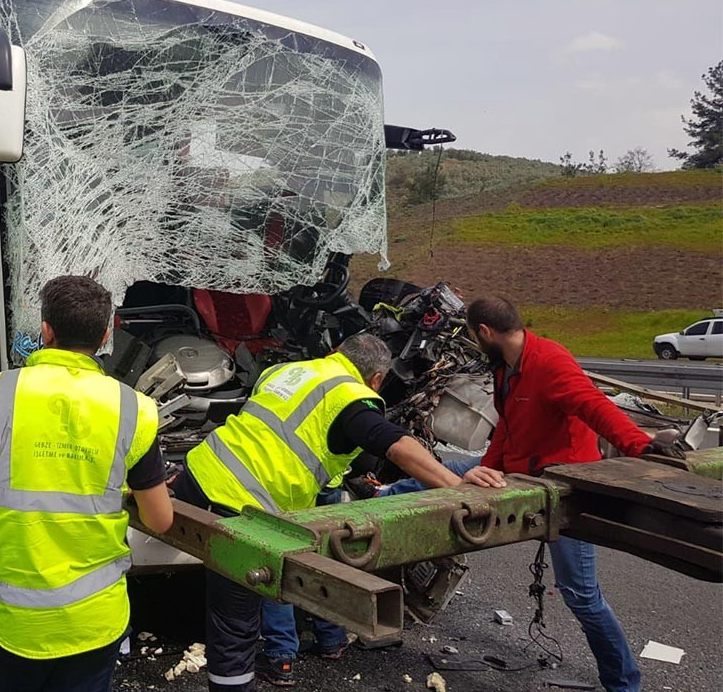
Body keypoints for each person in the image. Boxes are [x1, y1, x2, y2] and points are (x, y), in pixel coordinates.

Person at [170, 333, 506, 691]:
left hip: (197, 474)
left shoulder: (286, 371)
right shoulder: (350, 398)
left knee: (231, 602)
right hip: (239, 504)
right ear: (376, 379)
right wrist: (456, 485)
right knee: (235, 625)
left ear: (334, 353)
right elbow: (394, 444)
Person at [0, 276, 174, 692]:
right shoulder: (132, 409)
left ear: (45, 330)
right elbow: (160, 520)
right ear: (105, 335)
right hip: (95, 619)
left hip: (13, 620)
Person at [465, 295, 683, 692]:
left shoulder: (548, 361)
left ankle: (624, 684)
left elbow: (593, 405)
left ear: (484, 332)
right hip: (523, 476)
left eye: (473, 336)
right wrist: (484, 469)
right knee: (442, 477)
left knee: (581, 595)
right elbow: (507, 430)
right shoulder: (506, 369)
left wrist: (639, 445)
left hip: (566, 488)